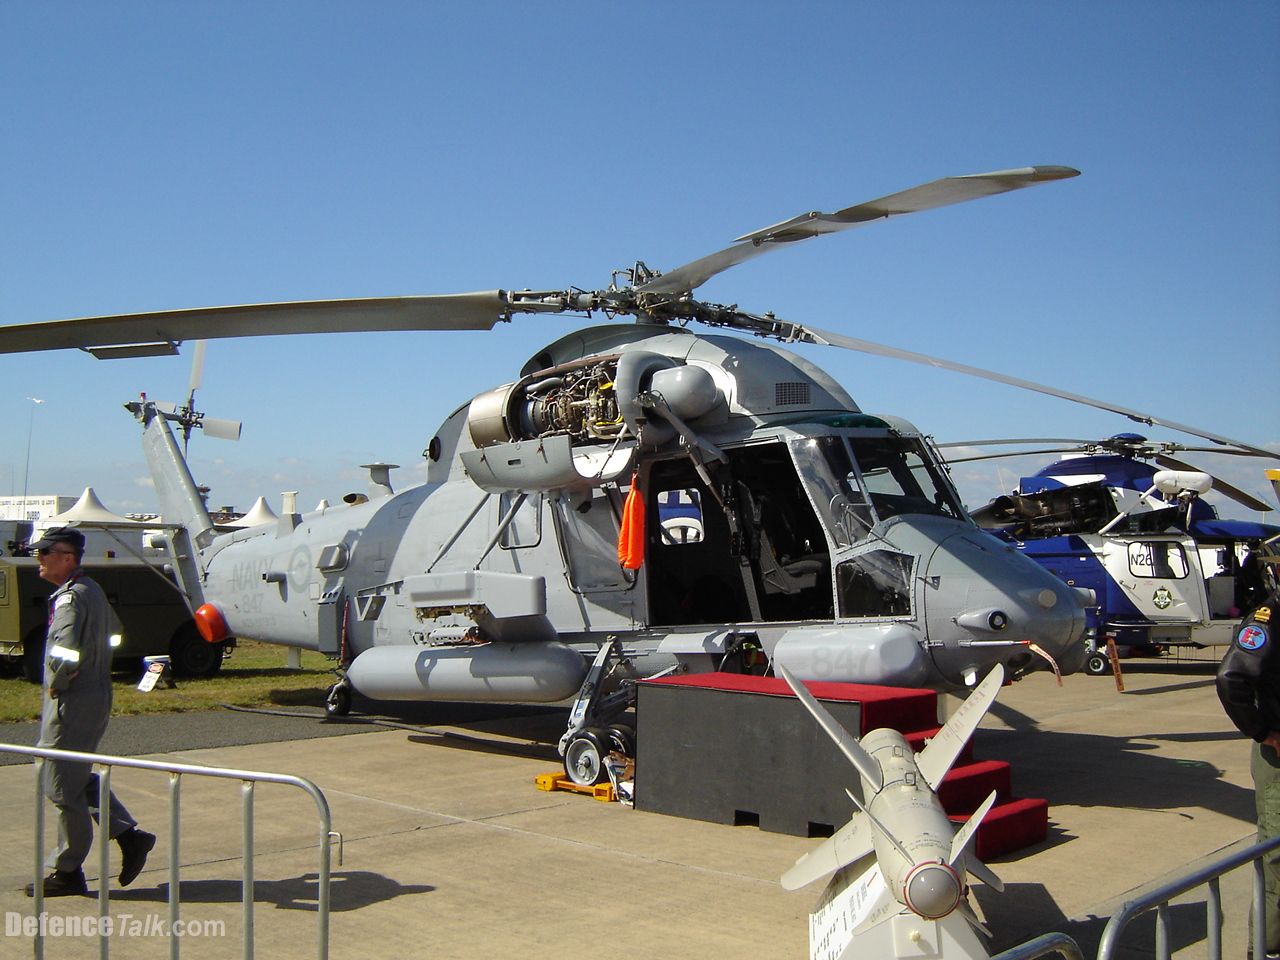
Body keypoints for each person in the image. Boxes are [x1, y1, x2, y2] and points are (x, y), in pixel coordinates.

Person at [25, 527, 155, 898]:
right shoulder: (93, 590)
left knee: (60, 784)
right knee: (77, 776)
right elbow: (114, 631)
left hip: (72, 700)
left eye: (46, 551)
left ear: (67, 557)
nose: (40, 558)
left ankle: (68, 871)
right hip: (95, 694)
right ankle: (131, 837)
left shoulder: (69, 598)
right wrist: (98, 660)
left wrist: (61, 679)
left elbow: (64, 649)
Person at [1217, 553, 1280, 958]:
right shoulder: (1267, 618)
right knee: (1277, 860)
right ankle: (1268, 948)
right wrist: (1264, 732)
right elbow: (1231, 678)